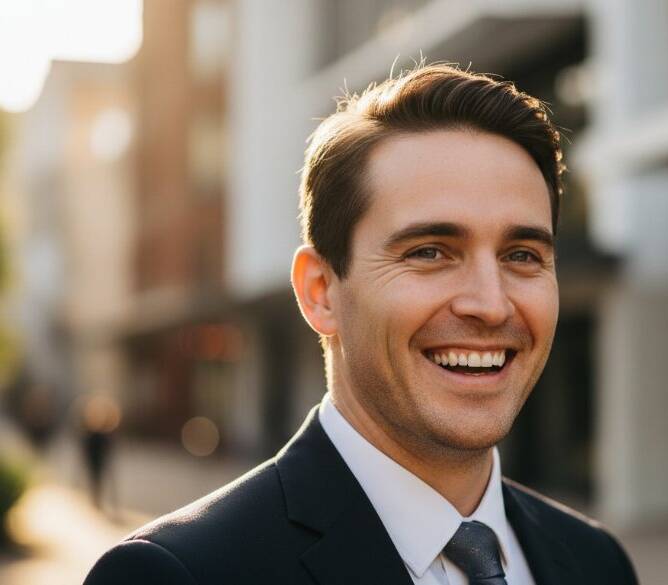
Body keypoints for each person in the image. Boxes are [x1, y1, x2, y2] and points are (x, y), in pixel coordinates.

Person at [84, 63, 638, 585]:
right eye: (429, 252)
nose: (491, 306)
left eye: (522, 256)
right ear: (320, 292)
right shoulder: (178, 574)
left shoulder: (597, 562)